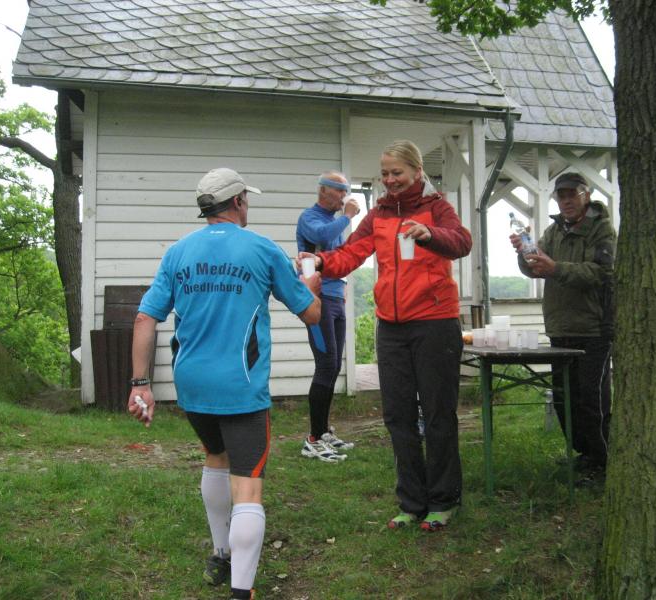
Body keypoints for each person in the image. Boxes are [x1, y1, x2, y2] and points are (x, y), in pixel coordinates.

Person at [127, 167, 321, 600]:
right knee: (247, 482)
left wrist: (140, 384)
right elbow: (311, 313)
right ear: (237, 202)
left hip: (192, 385)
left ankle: (221, 554)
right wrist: (311, 285)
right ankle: (241, 590)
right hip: (241, 384)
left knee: (216, 456)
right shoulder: (262, 249)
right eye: (246, 199)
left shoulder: (178, 252)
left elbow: (144, 318)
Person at [298, 140, 472, 532]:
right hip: (391, 327)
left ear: (417, 172)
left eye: (397, 173)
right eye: (385, 174)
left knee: (438, 414)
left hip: (435, 323)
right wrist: (321, 260)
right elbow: (352, 253)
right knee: (398, 416)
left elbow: (462, 242)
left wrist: (430, 234)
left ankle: (443, 500)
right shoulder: (378, 214)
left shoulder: (437, 207)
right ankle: (411, 502)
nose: (390, 180)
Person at [511, 172, 615, 474]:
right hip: (560, 327)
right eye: (561, 195)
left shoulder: (602, 229)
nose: (566, 200)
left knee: (591, 399)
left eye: (573, 194)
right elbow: (535, 268)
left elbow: (603, 273)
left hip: (594, 328)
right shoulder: (554, 230)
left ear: (587, 195)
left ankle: (603, 461)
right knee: (563, 398)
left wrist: (556, 268)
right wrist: (524, 253)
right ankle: (584, 455)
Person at [296, 171, 361, 462]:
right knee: (325, 365)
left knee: (333, 366)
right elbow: (321, 237)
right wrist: (347, 217)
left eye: (347, 191)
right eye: (341, 190)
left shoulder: (335, 222)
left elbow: (341, 255)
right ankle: (312, 439)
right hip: (317, 301)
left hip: (335, 299)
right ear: (324, 191)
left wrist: (343, 285)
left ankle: (323, 432)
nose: (345, 196)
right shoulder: (310, 218)